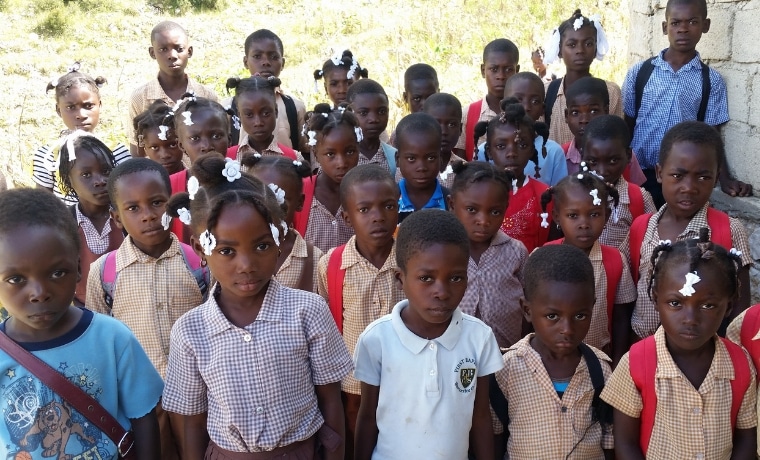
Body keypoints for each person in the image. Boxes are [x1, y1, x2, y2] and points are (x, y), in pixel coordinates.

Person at [162, 157, 352, 459]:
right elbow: (193, 422)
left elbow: (331, 400)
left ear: (279, 239)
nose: (247, 265)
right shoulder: (189, 332)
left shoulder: (308, 311)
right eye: (226, 251)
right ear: (200, 248)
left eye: (262, 246)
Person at [0, 188, 162, 459]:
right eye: (16, 279)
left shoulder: (112, 338)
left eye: (56, 272)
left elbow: (145, 419)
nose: (39, 293)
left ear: (78, 268)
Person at [353, 209, 503, 460]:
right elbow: (367, 416)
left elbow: (480, 416)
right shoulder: (377, 340)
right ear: (401, 279)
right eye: (426, 278)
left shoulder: (479, 338)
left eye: (456, 278)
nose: (442, 292)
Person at [85, 158, 204, 459]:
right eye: (133, 208)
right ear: (116, 217)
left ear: (173, 206)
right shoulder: (104, 272)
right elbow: (99, 346)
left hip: (200, 397)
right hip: (145, 408)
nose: (149, 216)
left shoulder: (199, 263)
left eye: (157, 203)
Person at [602, 232, 757, 459]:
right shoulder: (636, 363)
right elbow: (625, 443)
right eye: (675, 303)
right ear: (656, 300)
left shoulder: (741, 365)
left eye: (708, 305)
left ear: (730, 306)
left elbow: (745, 439)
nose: (690, 319)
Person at [623, 121, 753, 340]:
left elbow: (740, 307)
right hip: (642, 349)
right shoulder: (641, 228)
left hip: (703, 352)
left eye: (703, 177)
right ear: (659, 173)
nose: (689, 187)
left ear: (715, 178)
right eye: (677, 175)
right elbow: (627, 296)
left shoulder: (729, 230)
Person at [623, 0, 751, 206]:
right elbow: (627, 125)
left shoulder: (710, 80)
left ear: (705, 25)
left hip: (681, 180)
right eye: (675, 23)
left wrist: (725, 177)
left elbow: (711, 135)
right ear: (665, 27)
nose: (683, 29)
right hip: (637, 176)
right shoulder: (640, 73)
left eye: (692, 22)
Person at [491, 244, 613, 459]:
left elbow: (609, 439)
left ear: (592, 307)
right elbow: (496, 433)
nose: (567, 329)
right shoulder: (506, 368)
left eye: (580, 316)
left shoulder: (600, 369)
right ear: (527, 310)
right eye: (552, 316)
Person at [316, 164, 404, 459]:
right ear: (346, 217)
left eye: (388, 206)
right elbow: (327, 324)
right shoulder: (331, 264)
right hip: (353, 383)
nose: (378, 216)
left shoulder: (412, 258)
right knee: (358, 442)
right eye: (364, 209)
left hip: (407, 378)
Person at [541, 171, 636, 363]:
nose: (584, 224)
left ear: (607, 215)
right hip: (549, 359)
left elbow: (621, 318)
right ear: (557, 217)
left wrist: (616, 361)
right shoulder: (543, 256)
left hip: (598, 359)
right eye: (573, 215)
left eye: (593, 214)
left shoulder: (616, 261)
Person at [448, 161, 527, 349]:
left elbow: (528, 305)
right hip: (453, 353)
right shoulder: (441, 251)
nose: (483, 221)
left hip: (506, 355)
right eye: (472, 210)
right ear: (452, 204)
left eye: (495, 212)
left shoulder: (516, 251)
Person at [33, 62, 131, 204]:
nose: (80, 114)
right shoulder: (48, 156)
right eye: (71, 107)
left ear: (100, 105)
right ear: (58, 110)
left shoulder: (117, 151)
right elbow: (43, 205)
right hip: (65, 225)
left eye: (88, 106)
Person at [127, 21, 217, 157]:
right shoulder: (140, 98)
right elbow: (137, 151)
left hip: (202, 175)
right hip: (159, 177)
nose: (172, 55)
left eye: (179, 48)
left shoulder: (207, 96)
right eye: (163, 49)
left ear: (190, 51)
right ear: (152, 53)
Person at [475, 98, 553, 252]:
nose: (511, 153)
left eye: (522, 145)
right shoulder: (477, 192)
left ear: (532, 150)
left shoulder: (544, 195)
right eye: (501, 146)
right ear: (489, 152)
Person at [55, 132, 124, 307]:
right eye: (86, 175)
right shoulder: (64, 224)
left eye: (106, 171)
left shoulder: (127, 216)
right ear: (69, 180)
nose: (100, 181)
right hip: (86, 311)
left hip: (132, 307)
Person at [542, 10, 622, 146]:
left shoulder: (610, 92)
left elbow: (616, 138)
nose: (580, 50)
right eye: (572, 45)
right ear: (560, 50)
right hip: (555, 167)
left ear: (596, 47)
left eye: (588, 43)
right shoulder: (546, 92)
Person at [244, 154, 322, 292]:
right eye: (259, 199)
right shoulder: (233, 252)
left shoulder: (316, 260)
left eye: (280, 200)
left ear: (300, 202)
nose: (269, 209)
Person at [294, 104, 361, 252]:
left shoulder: (367, 194)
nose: (341, 163)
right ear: (315, 152)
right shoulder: (301, 194)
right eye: (330, 154)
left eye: (350, 152)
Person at [582, 115, 656, 249]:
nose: (602, 171)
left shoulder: (639, 198)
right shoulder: (573, 194)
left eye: (613, 161)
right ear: (583, 156)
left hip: (620, 269)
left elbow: (651, 242)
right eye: (593, 161)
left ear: (628, 156)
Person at [166, 95, 232, 243]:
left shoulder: (247, 185)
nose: (207, 146)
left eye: (216, 136)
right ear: (181, 145)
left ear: (229, 139)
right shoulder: (170, 187)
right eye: (195, 138)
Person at [226, 29, 306, 150]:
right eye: (257, 56)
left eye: (274, 57)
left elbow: (305, 151)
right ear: (246, 62)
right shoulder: (227, 107)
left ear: (282, 63)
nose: (266, 62)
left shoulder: (294, 107)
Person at [457, 38, 520, 160]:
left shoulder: (530, 113)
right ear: (483, 70)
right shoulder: (467, 115)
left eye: (508, 69)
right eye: (494, 69)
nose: (501, 76)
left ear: (516, 71)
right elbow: (460, 162)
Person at [503, 72, 568, 186]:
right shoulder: (488, 150)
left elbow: (559, 195)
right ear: (503, 105)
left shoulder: (553, 152)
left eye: (535, 101)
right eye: (518, 100)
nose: (526, 107)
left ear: (543, 109)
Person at [225, 76, 301, 161]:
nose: (258, 122)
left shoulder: (294, 158)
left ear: (276, 111)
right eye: (249, 115)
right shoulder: (227, 158)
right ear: (239, 115)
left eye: (265, 113)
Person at [395, 113, 448, 224]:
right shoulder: (389, 202)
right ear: (397, 160)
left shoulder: (451, 202)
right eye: (411, 158)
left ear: (441, 158)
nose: (421, 168)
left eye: (430, 158)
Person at [347, 79, 397, 174]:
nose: (374, 119)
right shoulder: (343, 158)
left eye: (381, 111)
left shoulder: (394, 156)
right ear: (350, 113)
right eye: (363, 113)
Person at [422, 93, 466, 188]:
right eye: (436, 124)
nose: (444, 132)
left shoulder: (465, 170)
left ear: (460, 129)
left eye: (451, 124)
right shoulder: (411, 168)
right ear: (424, 127)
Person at [133, 100, 185, 175]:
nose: (165, 155)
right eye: (154, 147)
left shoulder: (196, 181)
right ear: (144, 147)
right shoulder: (141, 185)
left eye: (172, 145)